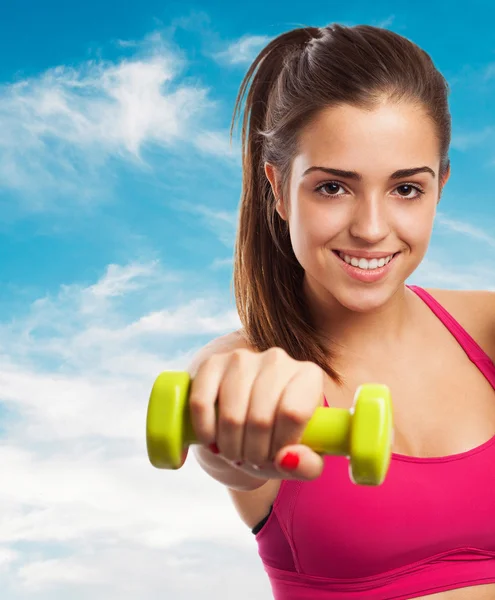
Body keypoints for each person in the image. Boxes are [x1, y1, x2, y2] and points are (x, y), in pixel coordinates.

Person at [186, 23, 495, 599]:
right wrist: (228, 420)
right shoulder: (250, 368)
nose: (372, 229)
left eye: (406, 189)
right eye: (333, 188)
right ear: (278, 189)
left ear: (441, 187)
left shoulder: (488, 330)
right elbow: (219, 419)